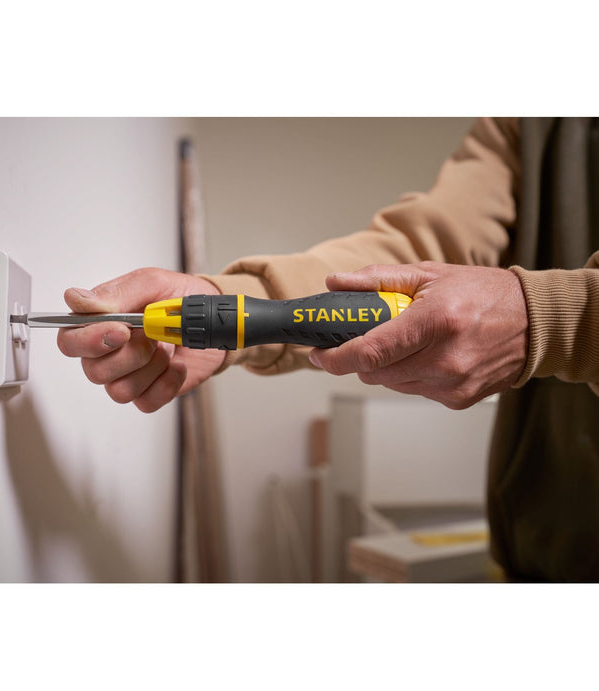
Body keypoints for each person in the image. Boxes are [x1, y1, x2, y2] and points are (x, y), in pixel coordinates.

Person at [57, 118, 599, 582]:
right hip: (543, 555)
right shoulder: (536, 120)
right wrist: (230, 303)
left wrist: (557, 317)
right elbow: (425, 249)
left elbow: (548, 313)